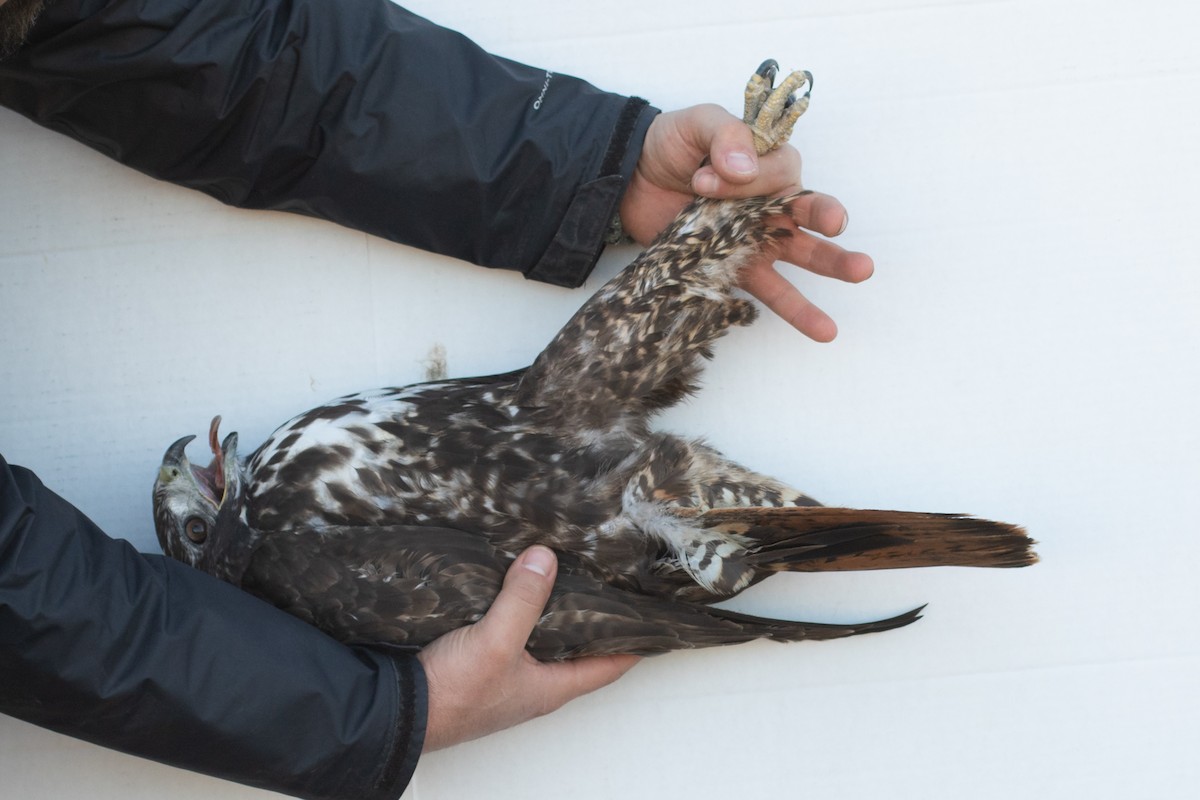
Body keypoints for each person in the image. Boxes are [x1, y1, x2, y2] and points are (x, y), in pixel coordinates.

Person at [0, 1, 873, 798]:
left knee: (574, 382)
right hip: (614, 521)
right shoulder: (288, 555)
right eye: (198, 515)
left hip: (555, 414)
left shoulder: (282, 476)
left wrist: (595, 173)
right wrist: (373, 719)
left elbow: (186, 53)